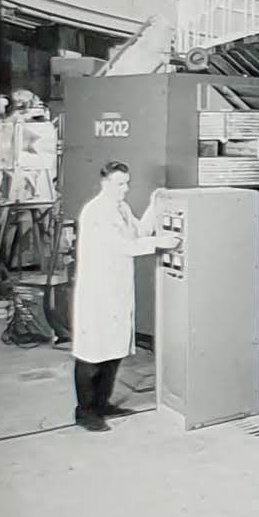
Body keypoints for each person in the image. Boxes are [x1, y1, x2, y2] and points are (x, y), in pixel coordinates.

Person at [72, 162, 179, 432]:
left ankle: (102, 404)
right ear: (105, 183)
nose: (125, 188)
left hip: (116, 291)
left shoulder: (121, 208)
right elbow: (124, 246)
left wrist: (155, 205)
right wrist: (160, 243)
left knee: (113, 351)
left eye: (127, 183)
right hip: (97, 293)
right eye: (120, 184)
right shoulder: (96, 211)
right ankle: (85, 412)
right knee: (92, 354)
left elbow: (139, 232)